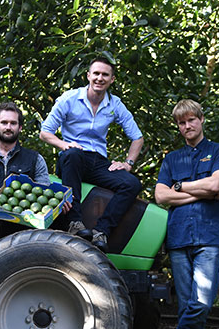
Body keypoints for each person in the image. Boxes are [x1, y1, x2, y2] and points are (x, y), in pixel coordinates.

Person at [154, 99, 219, 329]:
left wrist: (181, 188)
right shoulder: (171, 159)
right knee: (188, 308)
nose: (186, 126)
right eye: (180, 123)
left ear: (201, 120)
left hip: (210, 237)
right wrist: (198, 190)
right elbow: (161, 197)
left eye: (191, 120)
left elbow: (216, 187)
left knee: (200, 304)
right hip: (178, 239)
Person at [39, 57, 143, 251]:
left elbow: (137, 137)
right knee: (74, 154)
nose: (99, 78)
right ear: (88, 76)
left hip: (98, 161)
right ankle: (74, 223)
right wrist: (64, 144)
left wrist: (128, 163)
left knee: (132, 183)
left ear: (112, 79)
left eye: (105, 75)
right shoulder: (69, 99)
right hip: (72, 159)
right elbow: (45, 132)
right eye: (96, 73)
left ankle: (101, 231)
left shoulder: (115, 104)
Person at [0, 101, 68, 261]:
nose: (8, 127)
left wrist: (59, 205)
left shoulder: (35, 160)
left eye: (13, 123)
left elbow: (45, 200)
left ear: (20, 127)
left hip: (20, 240)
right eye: (4, 122)